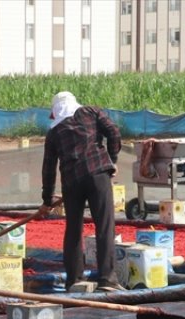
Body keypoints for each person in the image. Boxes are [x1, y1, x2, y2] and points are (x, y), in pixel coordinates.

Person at [37, 91, 123, 291]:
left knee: (73, 230)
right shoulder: (91, 112)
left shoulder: (54, 132)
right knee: (105, 226)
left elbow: (48, 168)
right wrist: (112, 159)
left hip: (71, 182)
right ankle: (107, 279)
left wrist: (47, 200)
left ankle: (74, 280)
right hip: (97, 175)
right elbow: (114, 132)